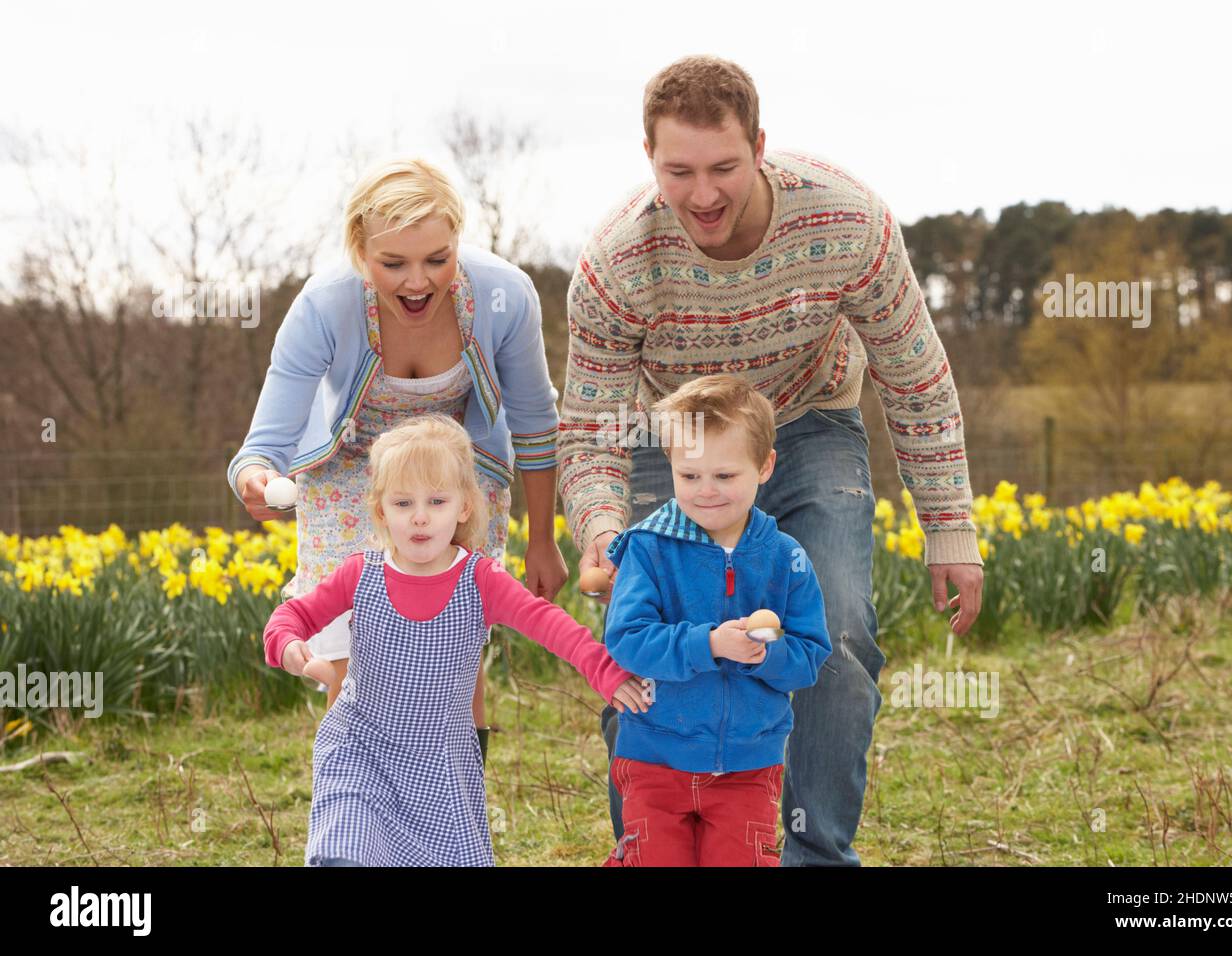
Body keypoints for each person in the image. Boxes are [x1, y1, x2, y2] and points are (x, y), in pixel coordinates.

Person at [558, 56, 985, 866]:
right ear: (649, 158)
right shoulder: (617, 265)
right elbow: (592, 426)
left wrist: (950, 528)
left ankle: (812, 852)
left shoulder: (847, 222)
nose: (704, 193)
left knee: (841, 628)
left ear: (760, 146)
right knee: (640, 639)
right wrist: (604, 528)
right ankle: (656, 848)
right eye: (678, 171)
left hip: (808, 421)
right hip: (677, 445)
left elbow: (915, 378)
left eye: (723, 166)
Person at [228, 157, 569, 760]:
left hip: (451, 478)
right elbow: (266, 441)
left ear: (458, 242)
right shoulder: (324, 306)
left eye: (438, 259)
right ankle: (355, 814)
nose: (419, 281)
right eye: (394, 264)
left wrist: (542, 539)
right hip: (350, 478)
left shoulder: (503, 296)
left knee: (456, 648)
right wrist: (256, 479)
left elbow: (537, 426)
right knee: (348, 654)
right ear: (360, 251)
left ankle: (453, 808)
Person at [263, 415, 651, 866]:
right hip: (360, 748)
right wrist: (290, 648)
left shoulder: (480, 580)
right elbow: (291, 615)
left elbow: (553, 627)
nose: (420, 516)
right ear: (381, 511)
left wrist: (606, 672)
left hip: (441, 766)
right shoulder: (360, 574)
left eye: (437, 500)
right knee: (344, 852)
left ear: (464, 506)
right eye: (403, 502)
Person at [598, 375, 831, 866]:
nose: (706, 492)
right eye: (690, 476)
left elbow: (810, 656)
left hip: (749, 765)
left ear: (764, 466)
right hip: (653, 759)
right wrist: (710, 645)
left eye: (725, 476)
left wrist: (765, 654)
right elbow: (626, 640)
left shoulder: (785, 558)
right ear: (672, 468)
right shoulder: (648, 549)